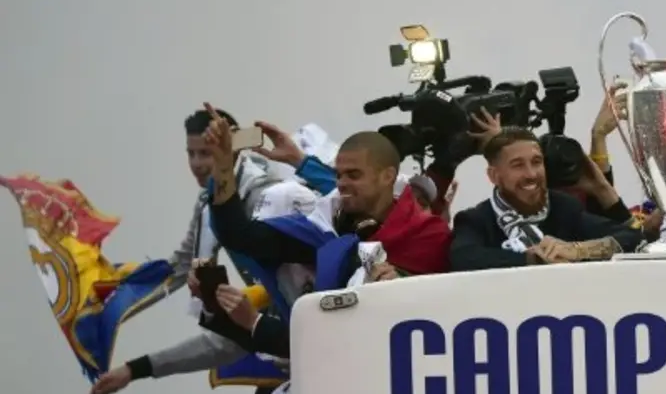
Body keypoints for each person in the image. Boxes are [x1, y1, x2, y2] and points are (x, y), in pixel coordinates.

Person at [205, 111, 452, 284]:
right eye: (339, 175)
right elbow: (240, 236)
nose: (342, 183)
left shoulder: (432, 235)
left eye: (353, 175)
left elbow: (452, 297)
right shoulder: (325, 230)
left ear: (388, 176)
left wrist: (402, 283)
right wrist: (223, 168)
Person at [450, 127, 643, 269]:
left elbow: (632, 237)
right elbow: (463, 257)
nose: (531, 174)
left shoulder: (564, 208)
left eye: (537, 162)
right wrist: (533, 259)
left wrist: (576, 250)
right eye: (517, 165)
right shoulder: (476, 219)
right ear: (494, 176)